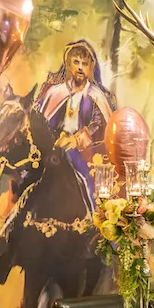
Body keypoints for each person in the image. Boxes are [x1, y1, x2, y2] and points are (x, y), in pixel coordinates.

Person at [31, 40, 114, 202]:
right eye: (76, 62)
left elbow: (99, 124)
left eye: (85, 64)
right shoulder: (55, 92)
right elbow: (39, 120)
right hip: (53, 146)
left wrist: (77, 140)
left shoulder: (96, 96)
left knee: (85, 183)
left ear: (91, 68)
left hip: (81, 151)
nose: (80, 67)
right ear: (68, 64)